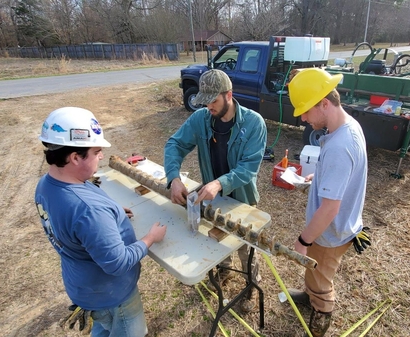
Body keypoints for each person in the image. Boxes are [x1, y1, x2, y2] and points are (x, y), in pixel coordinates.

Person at [34, 107, 167, 337]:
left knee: (103, 327)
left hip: (85, 286)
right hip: (112, 294)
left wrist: (112, 214)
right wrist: (150, 238)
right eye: (96, 151)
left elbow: (79, 225)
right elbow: (117, 263)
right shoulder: (89, 211)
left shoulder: (46, 185)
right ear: (75, 157)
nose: (102, 156)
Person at [164, 69, 267, 312]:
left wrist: (220, 183)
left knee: (246, 246)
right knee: (217, 237)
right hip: (214, 198)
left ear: (228, 95)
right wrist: (174, 178)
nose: (208, 106)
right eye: (205, 101)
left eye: (213, 100)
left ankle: (252, 283)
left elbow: (248, 168)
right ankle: (224, 270)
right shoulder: (200, 119)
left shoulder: (253, 123)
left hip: (242, 198)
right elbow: (175, 144)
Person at [286, 68, 369, 337]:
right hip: (337, 224)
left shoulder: (339, 145)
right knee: (315, 269)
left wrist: (304, 240)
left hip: (330, 232)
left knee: (322, 277)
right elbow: (340, 174)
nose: (302, 118)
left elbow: (331, 207)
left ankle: (321, 313)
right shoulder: (345, 127)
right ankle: (309, 294)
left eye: (306, 111)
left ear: (324, 103)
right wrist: (318, 175)